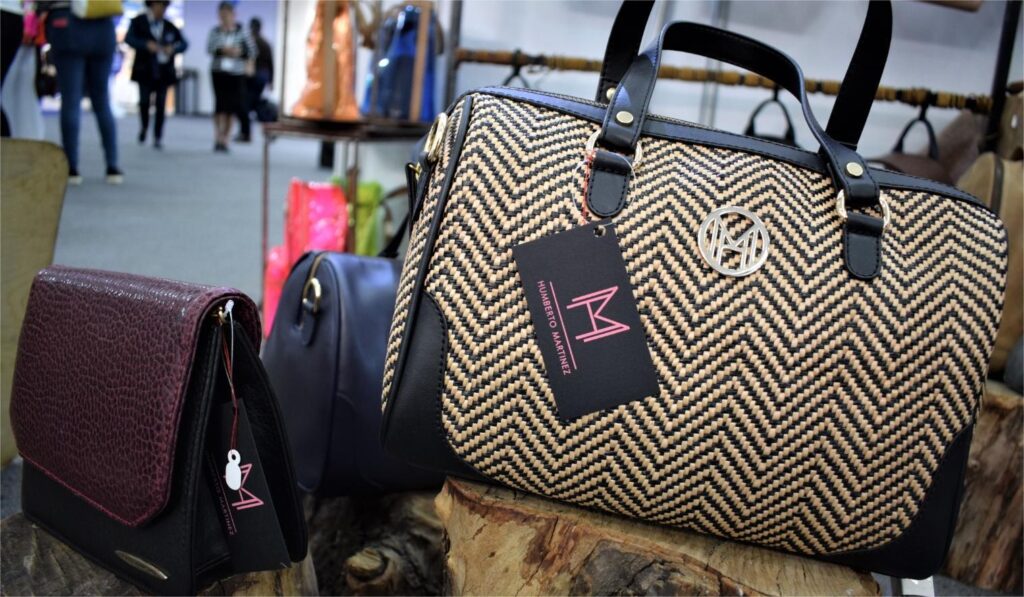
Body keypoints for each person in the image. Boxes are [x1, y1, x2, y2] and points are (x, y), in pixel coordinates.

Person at [38, 0, 122, 183]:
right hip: (102, 25)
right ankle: (113, 166)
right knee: (101, 100)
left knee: (71, 99)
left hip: (67, 25)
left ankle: (71, 168)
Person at [125, 0, 186, 149]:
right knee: (144, 101)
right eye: (159, 5)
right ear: (152, 5)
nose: (161, 9)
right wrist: (145, 45)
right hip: (144, 69)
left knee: (161, 103)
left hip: (164, 71)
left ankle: (158, 135)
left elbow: (183, 44)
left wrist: (172, 49)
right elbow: (129, 39)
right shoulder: (139, 22)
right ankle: (144, 127)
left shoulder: (170, 26)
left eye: (164, 6)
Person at [206, 1, 254, 153]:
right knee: (219, 106)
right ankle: (218, 137)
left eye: (227, 13)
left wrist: (239, 52)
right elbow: (210, 48)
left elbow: (252, 51)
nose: (224, 17)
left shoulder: (242, 31)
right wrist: (223, 50)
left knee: (231, 107)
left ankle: (226, 138)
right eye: (222, 14)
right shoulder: (215, 31)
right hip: (219, 72)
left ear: (233, 14)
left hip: (236, 73)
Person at [236, 16, 272, 143]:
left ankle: (246, 133)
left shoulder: (250, 43)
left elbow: (243, 59)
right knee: (254, 104)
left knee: (245, 105)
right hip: (262, 77)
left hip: (252, 78)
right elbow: (271, 64)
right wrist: (271, 81)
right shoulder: (265, 43)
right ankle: (266, 127)